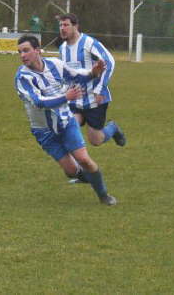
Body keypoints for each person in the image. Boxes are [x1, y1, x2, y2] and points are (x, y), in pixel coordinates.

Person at [15, 35, 117, 205]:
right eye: (20, 52)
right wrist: (66, 97)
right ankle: (89, 177)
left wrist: (93, 72)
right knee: (71, 171)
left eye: (26, 50)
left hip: (65, 122)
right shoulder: (23, 77)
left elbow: (76, 75)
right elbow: (39, 102)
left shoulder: (55, 64)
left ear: (37, 51)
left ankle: (104, 195)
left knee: (84, 159)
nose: (22, 55)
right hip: (44, 132)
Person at [58, 14, 126, 150]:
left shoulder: (89, 43)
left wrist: (100, 89)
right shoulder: (62, 49)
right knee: (69, 131)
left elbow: (109, 62)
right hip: (75, 100)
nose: (62, 28)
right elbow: (66, 73)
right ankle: (80, 166)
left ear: (75, 26)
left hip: (95, 99)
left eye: (66, 25)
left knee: (96, 140)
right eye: (60, 25)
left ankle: (112, 128)